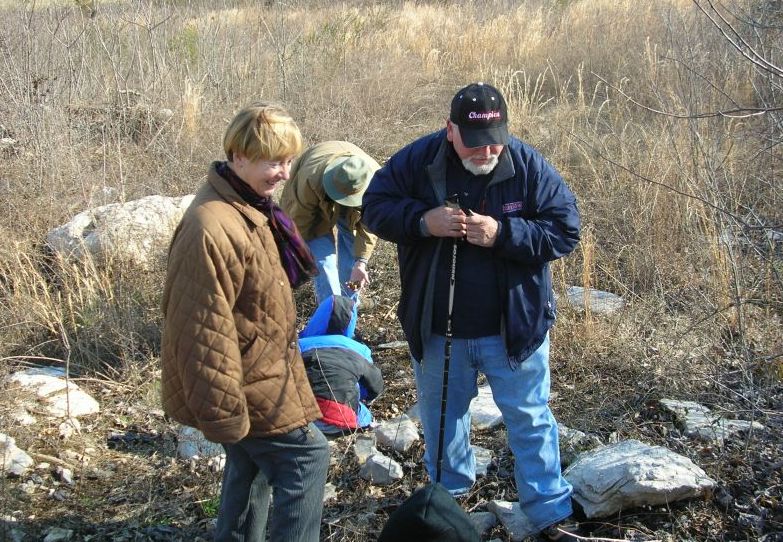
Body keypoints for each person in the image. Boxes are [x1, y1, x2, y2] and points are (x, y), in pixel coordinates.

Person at [362, 83, 583, 541]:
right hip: (439, 328)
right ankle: (449, 500)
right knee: (443, 418)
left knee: (529, 416)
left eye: (496, 138)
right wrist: (424, 222)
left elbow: (565, 230)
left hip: (514, 329)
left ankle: (549, 511)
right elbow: (374, 209)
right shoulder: (416, 161)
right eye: (475, 140)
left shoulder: (528, 166)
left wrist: (503, 233)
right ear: (450, 130)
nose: (487, 150)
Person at [160, 102, 329, 542]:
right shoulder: (211, 226)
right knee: (306, 458)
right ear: (238, 156)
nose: (285, 173)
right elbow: (198, 332)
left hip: (262, 369)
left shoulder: (249, 208)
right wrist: (224, 413)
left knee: (250, 464)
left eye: (289, 161)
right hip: (246, 381)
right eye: (274, 161)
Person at [280, 140, 380, 304]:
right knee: (324, 262)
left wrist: (361, 263)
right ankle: (331, 311)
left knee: (353, 256)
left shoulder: (377, 182)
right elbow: (300, 223)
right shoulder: (310, 179)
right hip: (315, 195)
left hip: (357, 201)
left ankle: (348, 306)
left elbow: (368, 227)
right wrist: (296, 254)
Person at [299, 294, 384, 435]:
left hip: (304, 417)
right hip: (342, 421)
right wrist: (365, 398)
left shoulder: (300, 345)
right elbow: (375, 385)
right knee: (364, 412)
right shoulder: (360, 350)